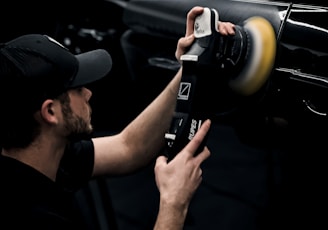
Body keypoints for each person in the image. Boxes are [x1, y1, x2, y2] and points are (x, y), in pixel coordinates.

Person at [0, 6, 235, 230]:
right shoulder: (31, 218)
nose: (89, 93)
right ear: (50, 112)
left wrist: (190, 66)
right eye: (77, 88)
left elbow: (129, 147)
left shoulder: (40, 157)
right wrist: (174, 203)